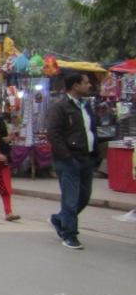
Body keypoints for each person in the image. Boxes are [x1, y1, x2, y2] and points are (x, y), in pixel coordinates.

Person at [47, 72, 98, 250]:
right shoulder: (60, 107)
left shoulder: (86, 106)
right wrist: (66, 156)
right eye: (85, 83)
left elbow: (91, 130)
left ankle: (59, 219)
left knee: (84, 197)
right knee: (71, 198)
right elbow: (53, 134)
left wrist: (95, 153)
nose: (89, 85)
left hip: (87, 158)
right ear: (75, 86)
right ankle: (69, 235)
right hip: (69, 160)